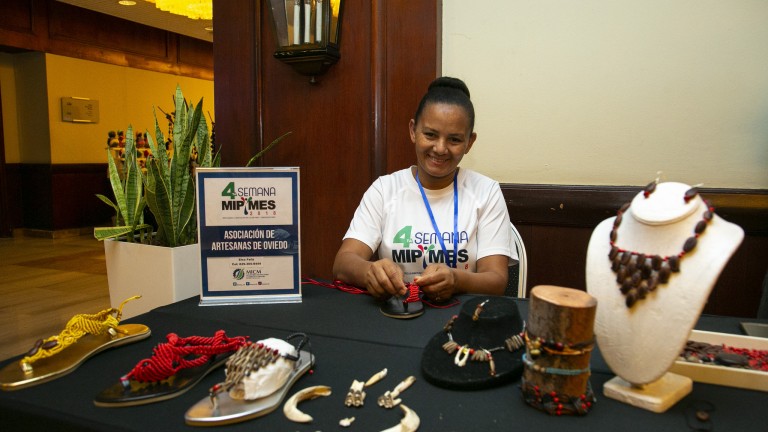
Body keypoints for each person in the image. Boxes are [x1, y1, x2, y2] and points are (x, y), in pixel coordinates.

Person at [332, 77, 518, 302]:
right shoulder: (384, 189)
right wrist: (370, 272)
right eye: (430, 134)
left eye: (455, 140)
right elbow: (342, 264)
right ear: (413, 131)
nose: (440, 148)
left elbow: (497, 280)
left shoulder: (486, 192)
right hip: (396, 314)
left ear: (470, 142)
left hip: (461, 319)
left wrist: (456, 279)